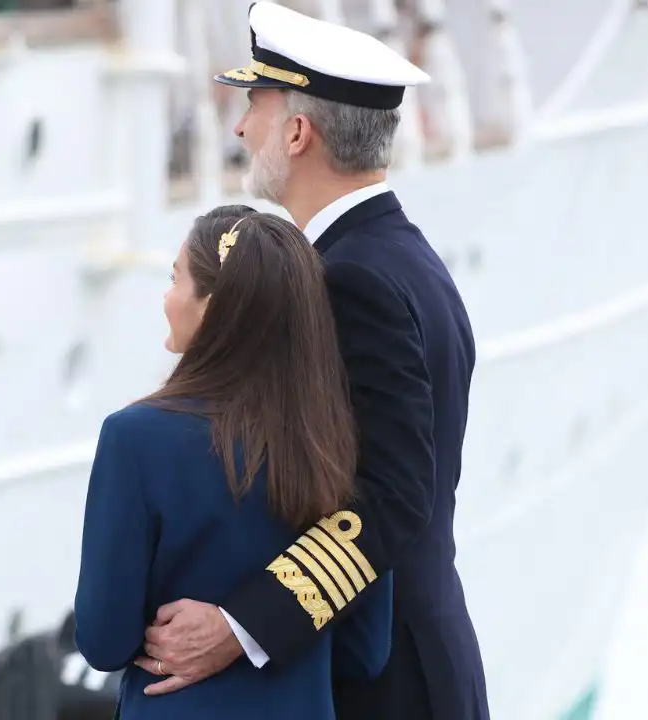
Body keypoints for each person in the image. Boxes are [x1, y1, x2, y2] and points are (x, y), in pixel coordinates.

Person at [131, 4, 490, 720]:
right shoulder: (403, 257)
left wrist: (239, 626)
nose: (238, 129)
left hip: (387, 684)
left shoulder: (349, 280)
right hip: (414, 665)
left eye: (253, 107)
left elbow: (391, 493)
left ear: (298, 131)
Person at [73, 206, 395, 718]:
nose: (167, 297)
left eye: (176, 279)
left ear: (212, 308)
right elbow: (365, 651)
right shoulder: (336, 439)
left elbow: (103, 641)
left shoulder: (135, 439)